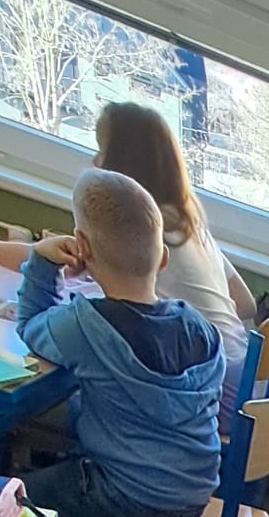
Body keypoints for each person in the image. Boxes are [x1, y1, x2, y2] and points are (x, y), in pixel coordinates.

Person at [16, 166, 225, 517]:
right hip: (194, 494)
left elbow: (29, 326)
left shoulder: (84, 326)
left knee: (14, 501)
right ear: (162, 258)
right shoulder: (203, 330)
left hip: (131, 495)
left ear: (82, 246)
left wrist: (42, 261)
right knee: (76, 437)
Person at [93, 100, 256, 425]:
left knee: (95, 398)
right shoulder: (188, 224)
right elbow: (246, 303)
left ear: (121, 165)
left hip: (213, 397)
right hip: (242, 384)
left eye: (100, 151)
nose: (94, 162)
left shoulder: (147, 233)